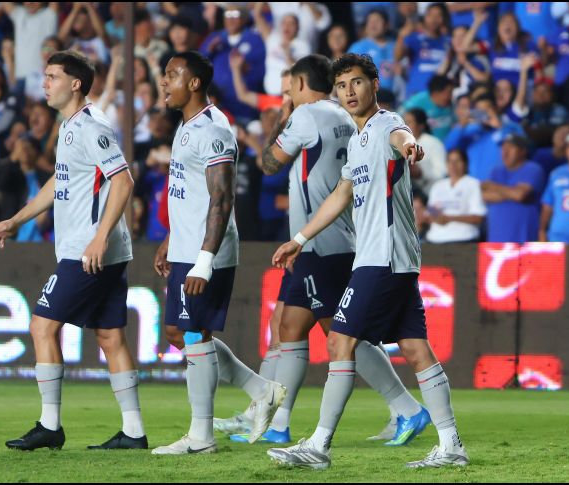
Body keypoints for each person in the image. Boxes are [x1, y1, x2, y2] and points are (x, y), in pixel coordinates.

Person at [268, 53, 468, 470]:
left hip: (383, 259)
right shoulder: (357, 141)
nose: (348, 92)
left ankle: (319, 446)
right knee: (416, 350)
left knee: (340, 341)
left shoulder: (386, 125)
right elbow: (341, 194)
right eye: (341, 86)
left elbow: (402, 137)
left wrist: (411, 146)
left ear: (374, 84)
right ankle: (451, 445)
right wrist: (300, 239)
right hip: (387, 259)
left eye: (356, 83)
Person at [223, 54, 429, 446]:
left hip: (322, 244)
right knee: (286, 326)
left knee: (339, 333)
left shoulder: (306, 115)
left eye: (289, 89)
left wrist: (283, 116)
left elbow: (269, 164)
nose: (287, 96)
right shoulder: (344, 119)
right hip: (324, 240)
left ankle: (404, 408)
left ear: (302, 85)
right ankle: (276, 420)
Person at [0, 50, 147, 451]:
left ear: (75, 83)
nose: (45, 82)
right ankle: (133, 432)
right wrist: (16, 220)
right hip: (102, 250)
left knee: (41, 326)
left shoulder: (90, 127)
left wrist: (98, 236)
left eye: (53, 76)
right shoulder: (71, 127)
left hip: (87, 251)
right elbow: (59, 185)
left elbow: (124, 181)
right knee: (110, 337)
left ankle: (50, 425)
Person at [151, 51, 286, 455]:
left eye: (173, 74)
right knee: (180, 332)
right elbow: (190, 195)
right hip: (185, 246)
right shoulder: (186, 124)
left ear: (194, 83)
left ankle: (201, 436)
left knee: (194, 333)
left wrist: (204, 261)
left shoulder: (213, 128)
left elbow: (221, 197)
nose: (164, 81)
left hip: (206, 252)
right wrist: (170, 241)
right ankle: (261, 389)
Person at [200, 5, 266, 123]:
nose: (231, 20)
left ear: (244, 18)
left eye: (235, 15)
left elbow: (262, 70)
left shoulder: (255, 39)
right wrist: (209, 51)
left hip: (244, 110)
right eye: (228, 15)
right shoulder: (214, 38)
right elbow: (198, 65)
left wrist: (247, 68)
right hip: (217, 108)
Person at [482, 134, 546, 243]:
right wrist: (511, 192)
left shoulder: (533, 169)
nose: (505, 152)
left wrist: (492, 186)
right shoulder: (495, 171)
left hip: (524, 240)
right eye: (503, 148)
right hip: (496, 242)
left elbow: (520, 195)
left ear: (522, 151)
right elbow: (484, 196)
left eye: (510, 148)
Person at [422, 148, 486, 243]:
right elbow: (431, 209)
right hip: (435, 239)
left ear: (466, 164)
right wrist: (436, 217)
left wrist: (449, 218)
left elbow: (478, 217)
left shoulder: (473, 184)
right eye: (450, 161)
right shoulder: (438, 186)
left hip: (463, 239)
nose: (453, 165)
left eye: (457, 161)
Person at [395, 3, 451, 98]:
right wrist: (401, 37)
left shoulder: (448, 42)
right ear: (425, 17)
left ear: (444, 18)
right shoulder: (415, 38)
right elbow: (398, 57)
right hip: (416, 92)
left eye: (438, 15)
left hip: (438, 96)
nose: (434, 19)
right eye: (430, 15)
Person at [348, 10, 397, 92]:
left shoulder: (396, 46)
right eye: (370, 21)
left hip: (394, 97)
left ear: (387, 24)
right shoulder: (357, 47)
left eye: (377, 20)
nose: (373, 24)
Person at [400, 74, 455, 141]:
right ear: (436, 93)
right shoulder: (417, 102)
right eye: (448, 93)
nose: (451, 97)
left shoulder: (452, 105)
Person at [404, 108, 446, 193]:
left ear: (421, 125)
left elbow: (442, 173)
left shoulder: (433, 143)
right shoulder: (399, 145)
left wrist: (422, 173)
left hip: (430, 193)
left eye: (409, 122)